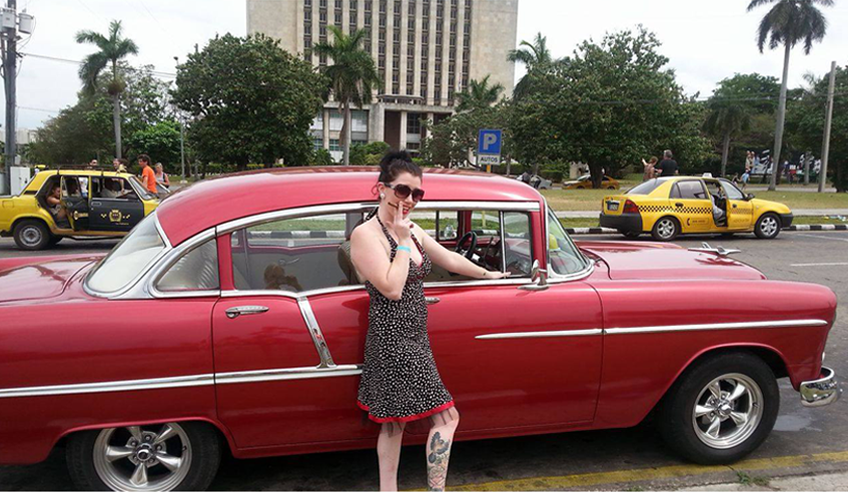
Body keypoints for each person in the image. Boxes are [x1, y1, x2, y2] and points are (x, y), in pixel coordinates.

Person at [350, 150, 509, 491]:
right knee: (446, 417)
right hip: (393, 340)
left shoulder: (411, 229)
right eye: (402, 190)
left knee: (394, 425)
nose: (409, 200)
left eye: (417, 193)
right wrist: (404, 241)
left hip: (415, 337)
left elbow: (448, 257)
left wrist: (489, 274)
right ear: (381, 189)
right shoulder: (367, 235)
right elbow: (392, 288)